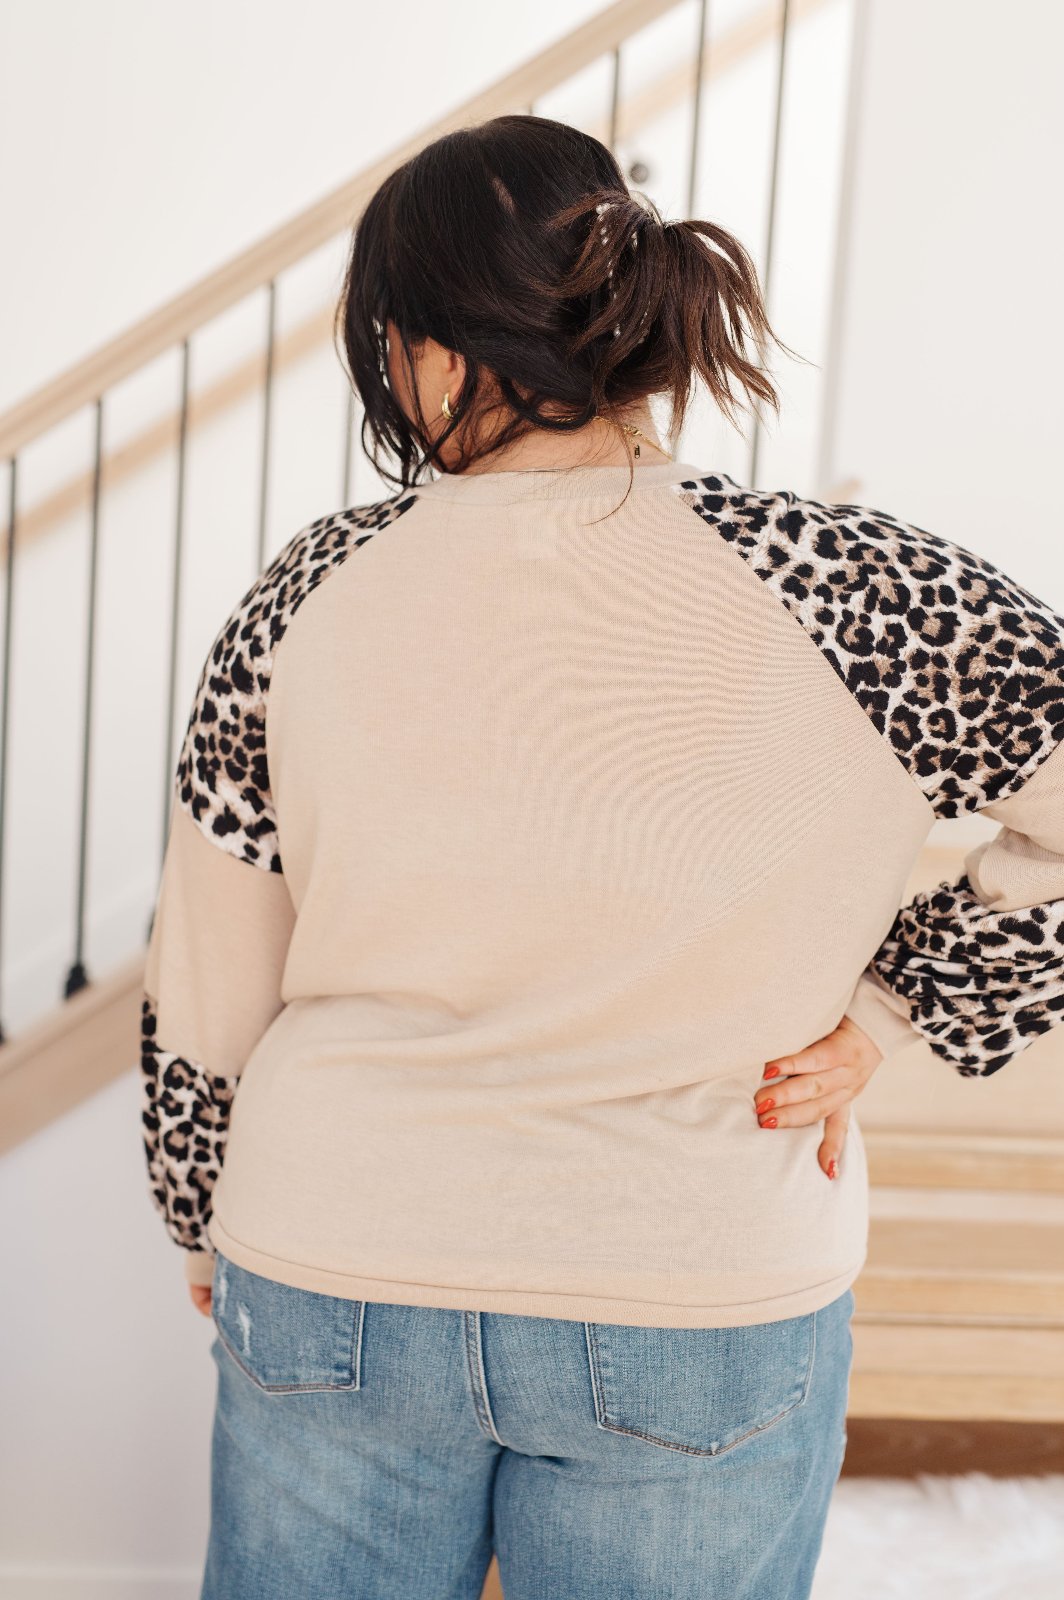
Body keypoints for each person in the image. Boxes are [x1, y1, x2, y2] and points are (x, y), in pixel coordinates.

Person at [140, 114, 1064, 1600]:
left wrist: (202, 1210)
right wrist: (899, 1011)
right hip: (703, 1277)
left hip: (336, 1262)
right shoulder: (854, 583)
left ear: (425, 344)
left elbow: (212, 956)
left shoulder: (307, 592)